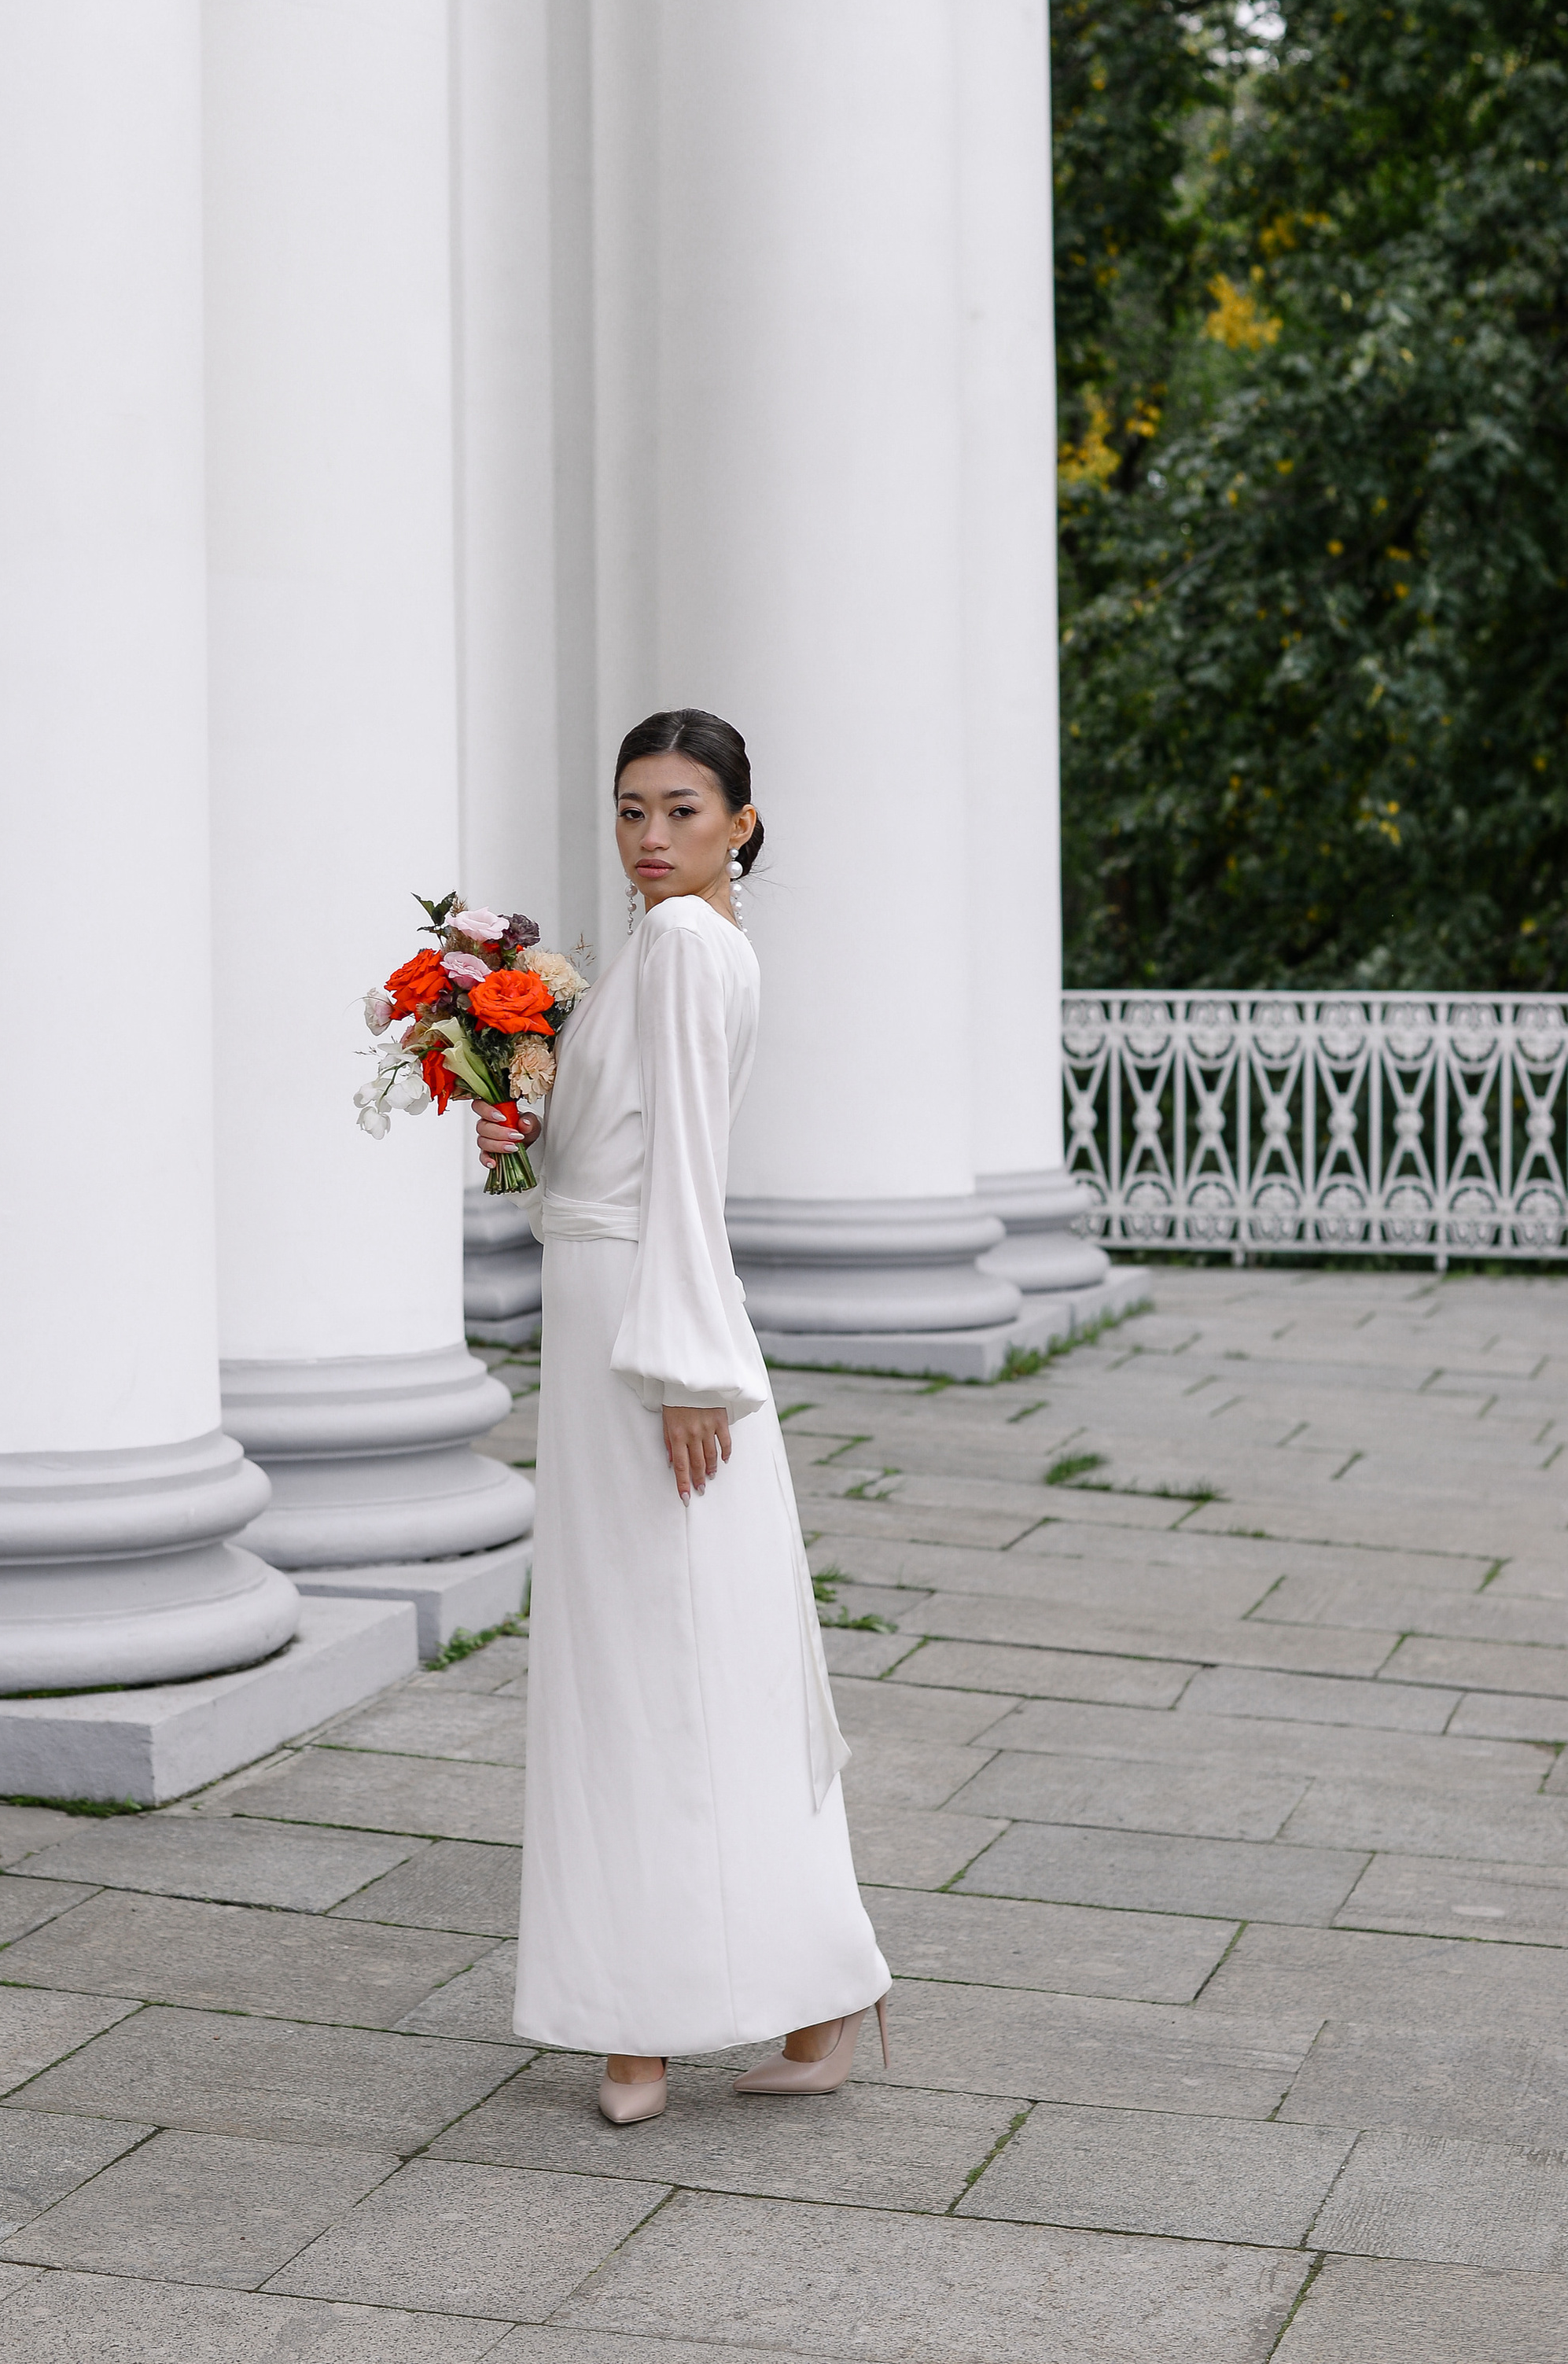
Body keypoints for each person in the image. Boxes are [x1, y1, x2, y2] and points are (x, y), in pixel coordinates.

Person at [472, 708, 890, 2126]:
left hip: (649, 1339)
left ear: (741, 825)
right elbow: (626, 1140)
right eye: (631, 809)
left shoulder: (694, 949)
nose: (652, 835)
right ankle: (816, 2002)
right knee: (669, 1656)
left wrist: (692, 1368)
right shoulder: (662, 945)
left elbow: (693, 1174)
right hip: (612, 1320)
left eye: (683, 810)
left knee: (655, 1665)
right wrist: (525, 1118)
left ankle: (643, 2024)